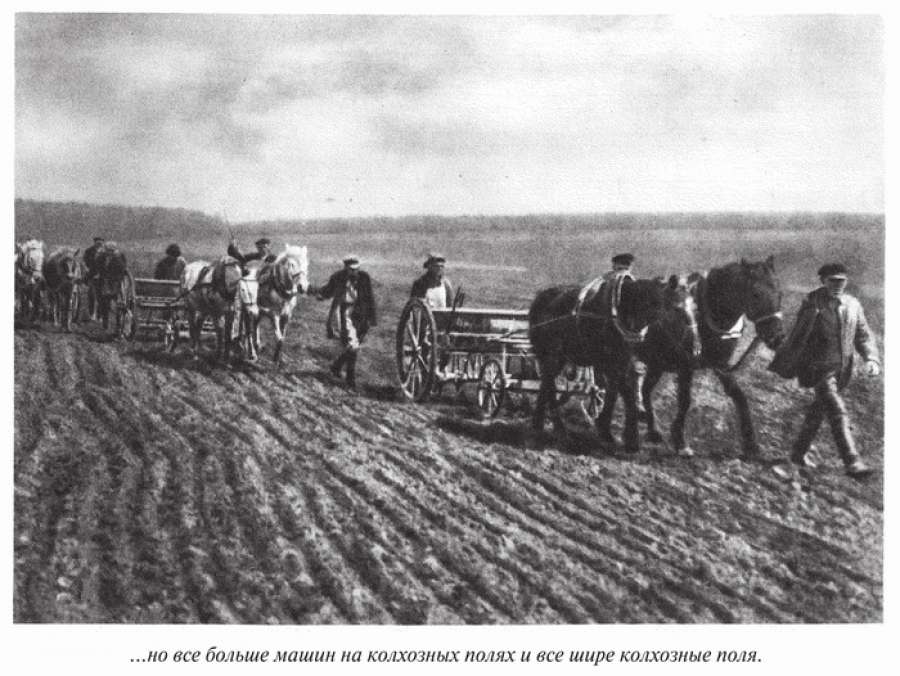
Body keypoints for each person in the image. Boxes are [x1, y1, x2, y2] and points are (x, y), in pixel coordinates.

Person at [769, 263, 880, 476]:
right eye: (833, 281)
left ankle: (796, 456)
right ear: (823, 281)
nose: (838, 285)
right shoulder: (812, 304)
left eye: (842, 281)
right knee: (837, 411)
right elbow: (798, 336)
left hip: (842, 371)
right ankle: (852, 461)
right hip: (818, 369)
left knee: (817, 413)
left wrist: (871, 358)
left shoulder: (853, 305)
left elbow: (863, 335)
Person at [315, 255, 377, 389]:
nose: (354, 272)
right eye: (351, 269)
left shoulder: (364, 277)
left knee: (353, 346)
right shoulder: (338, 277)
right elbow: (328, 290)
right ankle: (350, 380)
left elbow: (369, 297)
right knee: (353, 346)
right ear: (345, 268)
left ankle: (336, 366)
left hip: (360, 313)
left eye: (356, 269)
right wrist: (319, 294)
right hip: (344, 312)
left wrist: (372, 318)